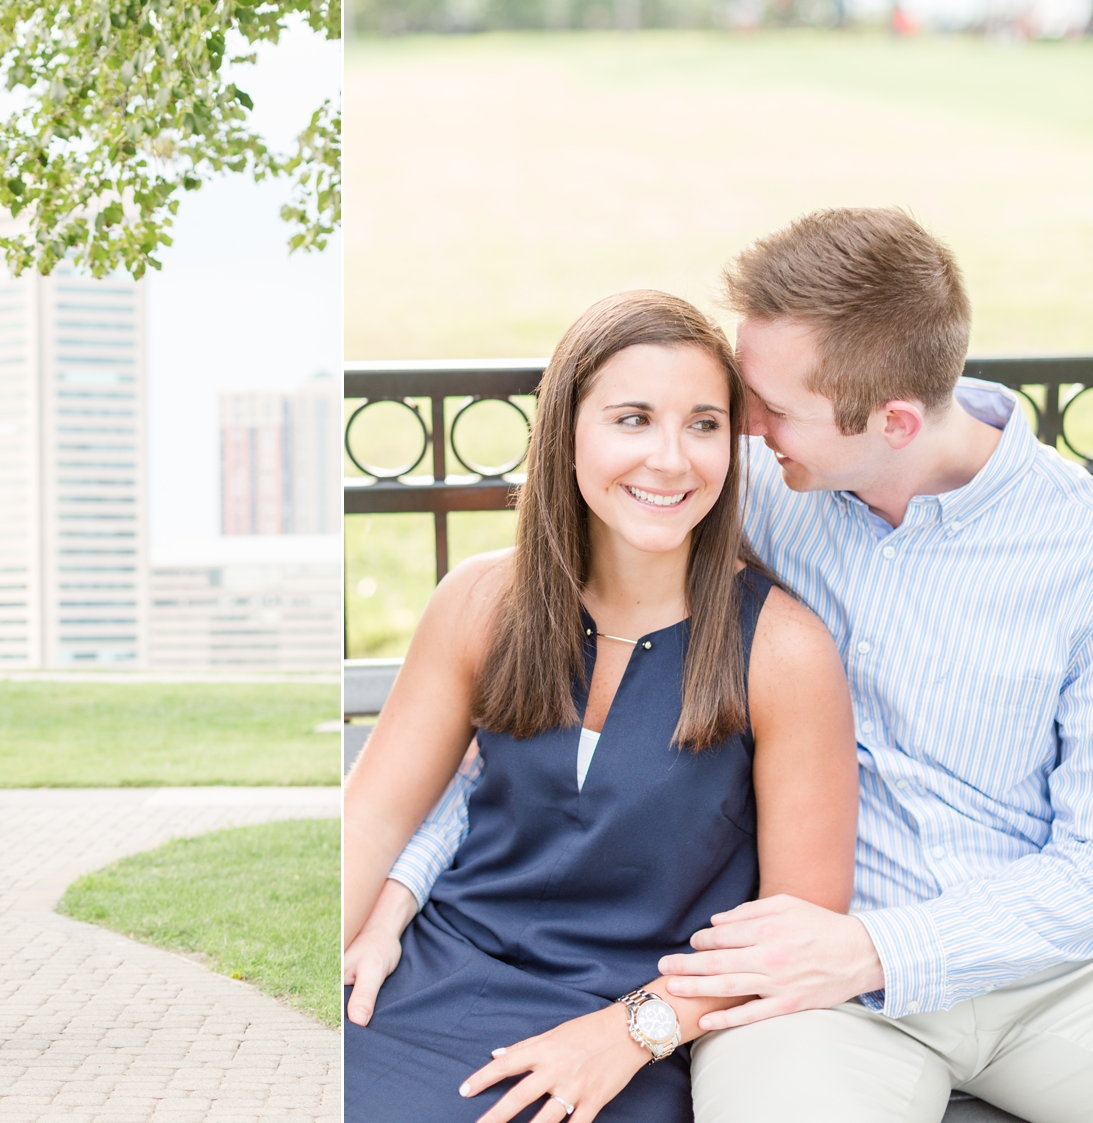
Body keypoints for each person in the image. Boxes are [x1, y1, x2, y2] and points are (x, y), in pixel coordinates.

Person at [356, 209, 1093, 1122]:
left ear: (893, 421)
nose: (739, 430)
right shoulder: (752, 482)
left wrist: (877, 948)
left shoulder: (1077, 549)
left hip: (1048, 980)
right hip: (813, 1001)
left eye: (768, 410)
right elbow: (516, 728)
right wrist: (403, 882)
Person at [343, 290, 858, 1123]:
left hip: (636, 1030)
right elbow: (369, 819)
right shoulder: (481, 600)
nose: (670, 458)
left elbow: (795, 927)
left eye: (703, 423)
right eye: (632, 419)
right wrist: (337, 944)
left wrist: (633, 1030)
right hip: (423, 980)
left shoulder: (782, 651)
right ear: (567, 432)